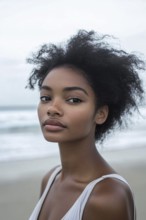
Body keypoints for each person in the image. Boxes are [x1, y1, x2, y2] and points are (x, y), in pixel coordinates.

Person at [27, 30, 144, 220]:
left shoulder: (107, 197)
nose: (52, 109)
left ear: (100, 113)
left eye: (73, 99)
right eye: (46, 97)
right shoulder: (50, 179)